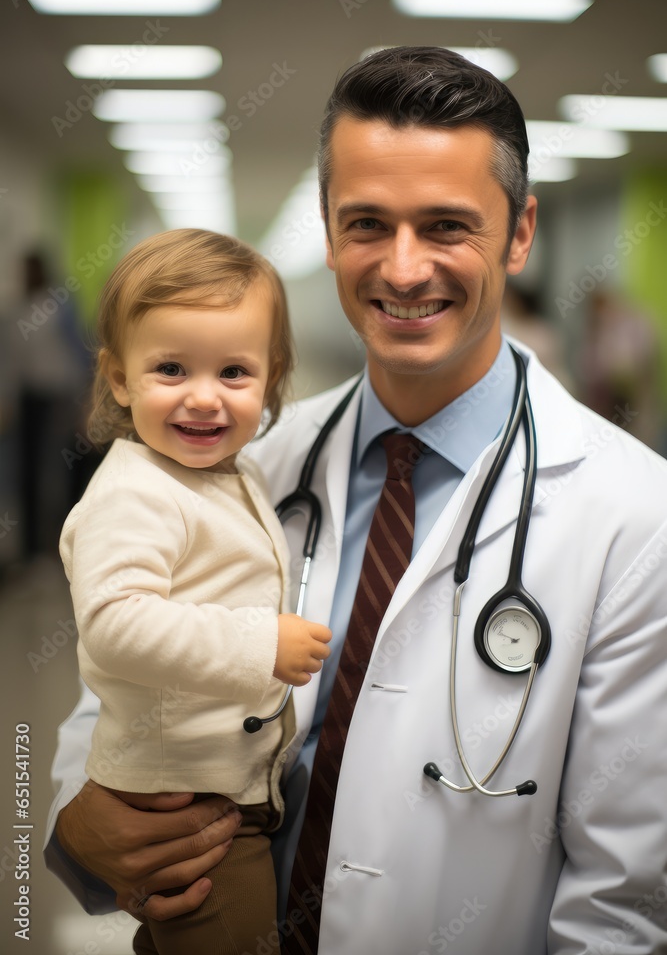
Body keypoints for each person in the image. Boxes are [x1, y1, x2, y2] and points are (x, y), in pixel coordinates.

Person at [45, 48, 667, 953]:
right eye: (367, 223)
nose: (404, 270)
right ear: (330, 234)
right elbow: (127, 682)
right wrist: (72, 820)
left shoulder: (633, 514)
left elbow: (623, 897)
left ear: (520, 233)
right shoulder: (251, 457)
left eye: (446, 225)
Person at [55, 228, 332, 954]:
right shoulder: (134, 493)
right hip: (183, 803)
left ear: (270, 380)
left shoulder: (228, 472)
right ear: (119, 378)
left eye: (234, 373)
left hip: (227, 786)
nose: (204, 399)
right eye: (171, 368)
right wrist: (259, 643)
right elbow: (116, 624)